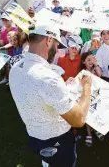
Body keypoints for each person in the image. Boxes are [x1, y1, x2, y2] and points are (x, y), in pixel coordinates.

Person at [9, 21, 92, 167]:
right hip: (57, 140)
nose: (57, 50)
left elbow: (34, 92)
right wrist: (87, 88)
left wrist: (62, 87)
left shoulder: (15, 66)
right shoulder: (48, 77)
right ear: (48, 40)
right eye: (56, 46)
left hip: (34, 135)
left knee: (48, 161)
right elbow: (78, 120)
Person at [80, 51, 103, 146]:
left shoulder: (96, 68)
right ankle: (89, 134)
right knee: (88, 115)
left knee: (97, 113)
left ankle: (97, 129)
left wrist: (96, 64)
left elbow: (100, 74)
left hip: (97, 95)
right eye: (88, 60)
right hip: (87, 96)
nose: (90, 62)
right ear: (83, 62)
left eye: (92, 59)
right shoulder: (82, 72)